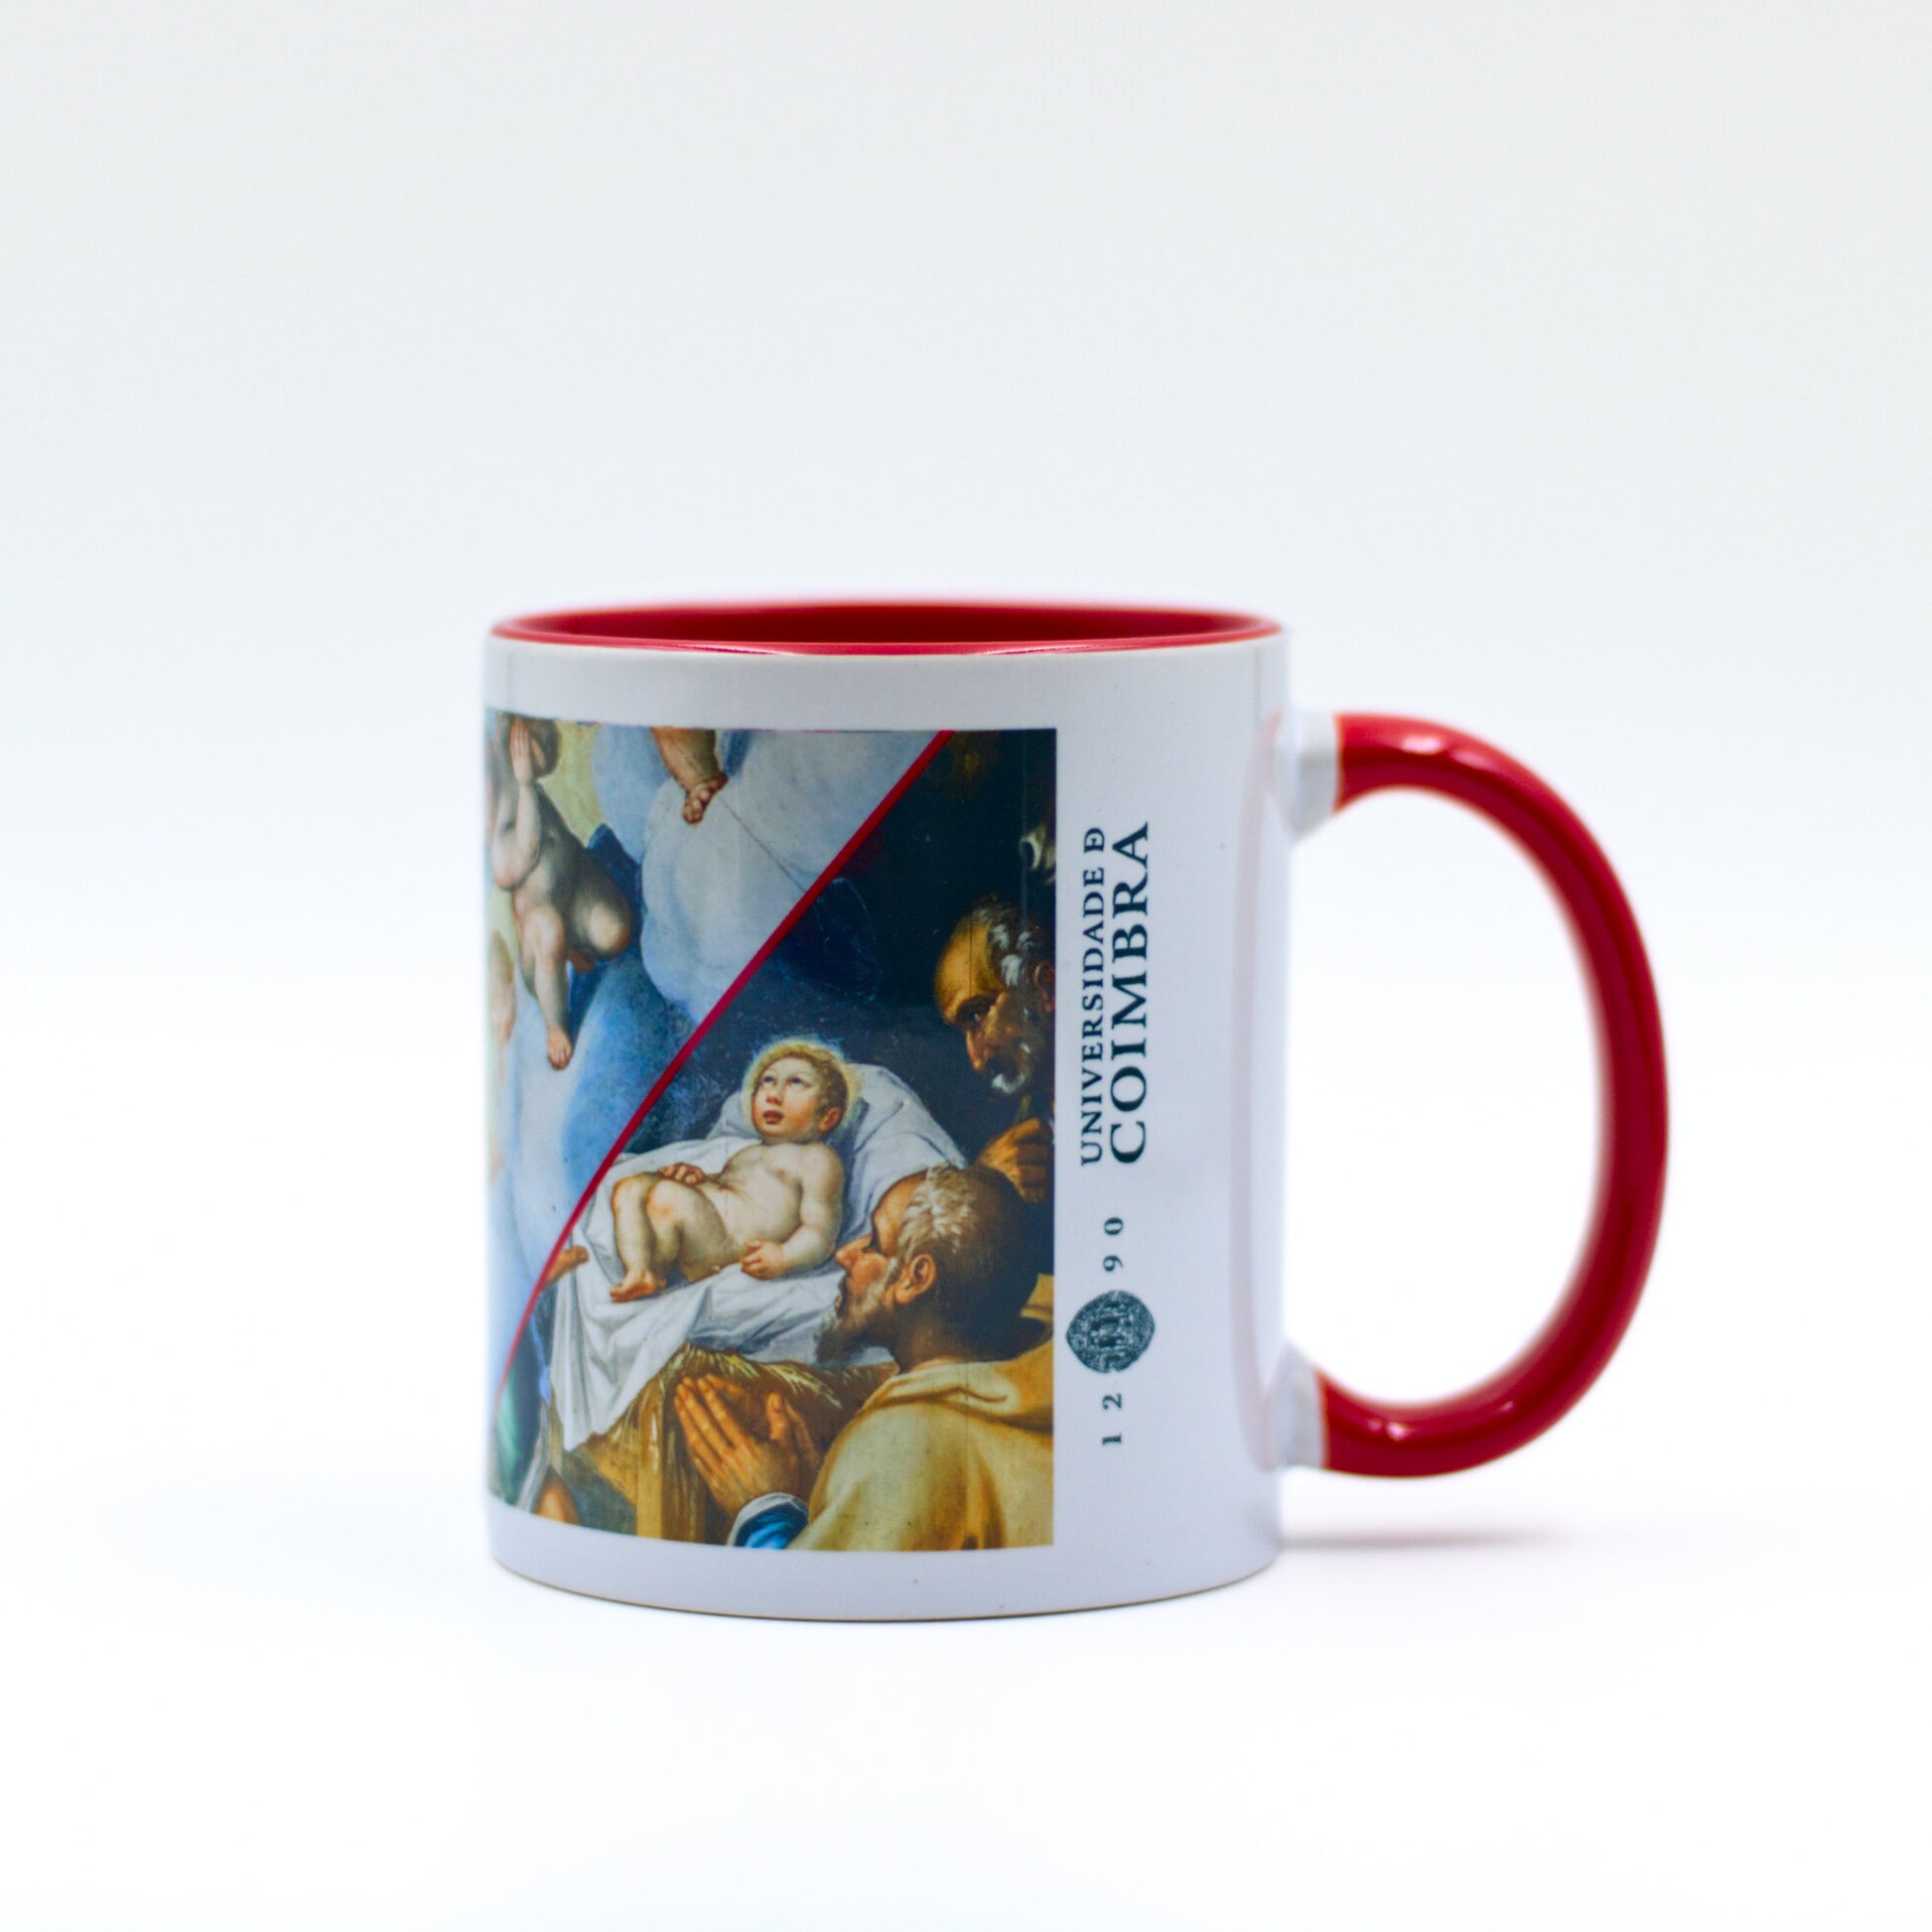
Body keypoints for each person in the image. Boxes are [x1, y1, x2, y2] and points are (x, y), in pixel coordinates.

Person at [674, 1166, 1050, 1550]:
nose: (843, 1254)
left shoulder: (902, 1442)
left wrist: (765, 1508)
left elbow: (820, 1587)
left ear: (916, 1278)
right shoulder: (1036, 1375)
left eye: (872, 1243)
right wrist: (822, 1492)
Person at [608, 1040, 849, 1303]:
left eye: (796, 1083)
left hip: (724, 1246)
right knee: (630, 1187)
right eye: (767, 1081)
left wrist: (784, 1256)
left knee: (665, 1195)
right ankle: (640, 1271)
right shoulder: (747, 1153)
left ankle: (651, 1268)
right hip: (696, 1228)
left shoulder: (816, 1158)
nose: (773, 1095)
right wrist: (697, 1178)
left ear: (828, 1117)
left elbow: (820, 1230)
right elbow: (726, 1188)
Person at [485, 714, 633, 1069]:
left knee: (614, 932)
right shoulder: (493, 831)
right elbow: (527, 851)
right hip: (541, 929)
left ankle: (575, 945)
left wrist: (530, 748)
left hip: (575, 886)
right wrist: (525, 786)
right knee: (548, 928)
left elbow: (545, 750)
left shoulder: (502, 749)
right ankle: (556, 1027)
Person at [933, 898, 1055, 1206]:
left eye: (977, 1014)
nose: (976, 1060)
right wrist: (985, 1186)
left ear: (1046, 990)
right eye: (962, 1029)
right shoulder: (1020, 1133)